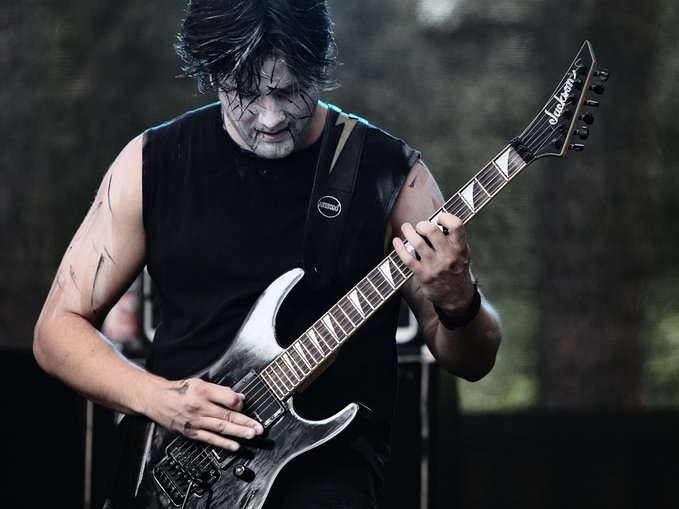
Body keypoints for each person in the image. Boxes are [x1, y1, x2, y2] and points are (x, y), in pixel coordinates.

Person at [33, 1, 502, 507]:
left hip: (325, 468)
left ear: (318, 66)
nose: (271, 117)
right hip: (171, 471)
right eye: (245, 93)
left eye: (288, 91)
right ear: (211, 73)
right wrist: (159, 399)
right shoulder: (151, 163)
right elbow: (56, 330)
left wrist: (460, 301)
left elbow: (473, 361)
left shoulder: (391, 176)